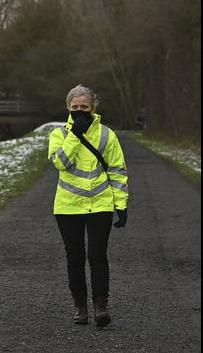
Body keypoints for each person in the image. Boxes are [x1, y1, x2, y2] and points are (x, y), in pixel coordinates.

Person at [48, 85, 129, 327]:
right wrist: (75, 135)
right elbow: (60, 162)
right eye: (75, 107)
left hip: (100, 204)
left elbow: (117, 170)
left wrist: (121, 204)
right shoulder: (59, 134)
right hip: (68, 206)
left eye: (84, 107)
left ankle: (100, 307)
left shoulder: (107, 134)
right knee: (74, 257)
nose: (80, 111)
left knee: (97, 256)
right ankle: (80, 308)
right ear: (68, 108)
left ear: (93, 108)